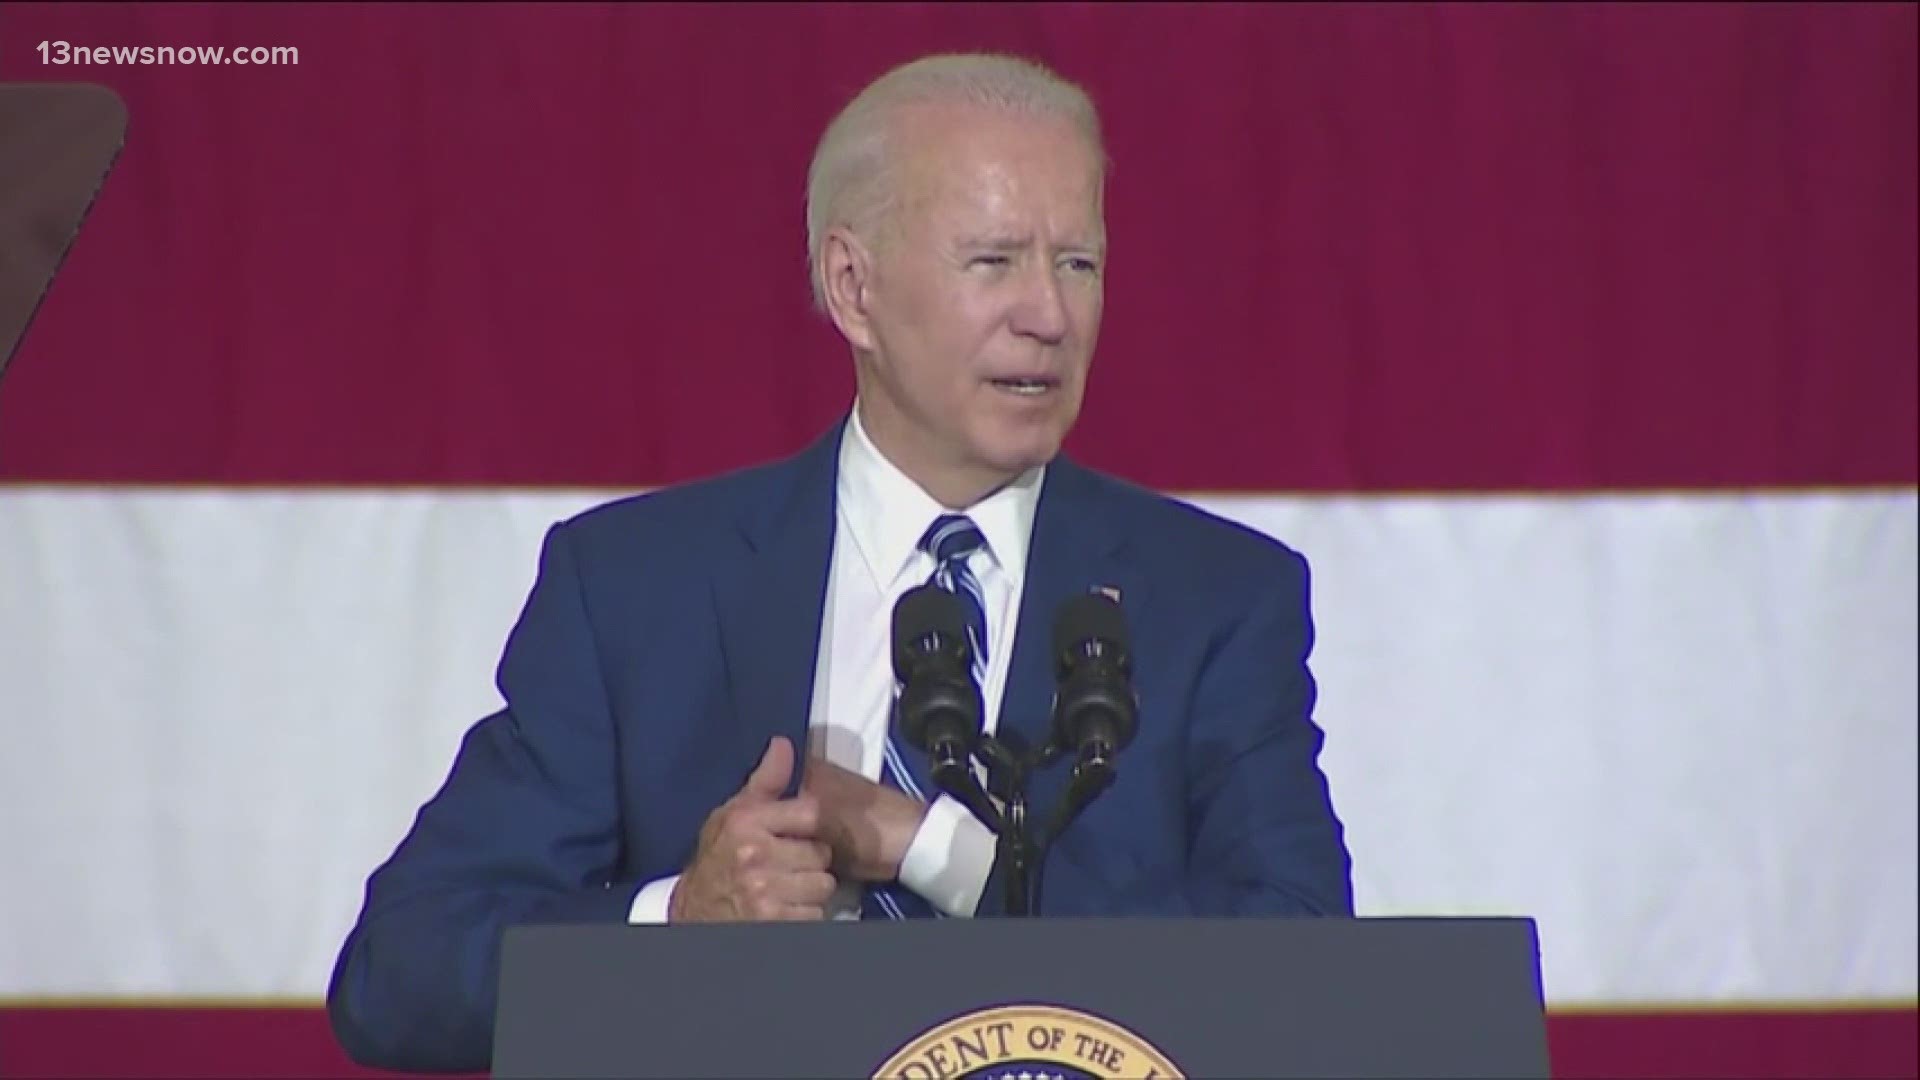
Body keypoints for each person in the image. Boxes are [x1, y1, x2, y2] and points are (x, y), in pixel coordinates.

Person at [327, 51, 1353, 1072]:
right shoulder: (641, 591)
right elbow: (399, 977)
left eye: (1078, 262)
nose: (1049, 313)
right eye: (993, 261)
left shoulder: (1214, 601)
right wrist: (680, 919)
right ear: (852, 285)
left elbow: (1302, 970)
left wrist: (930, 851)